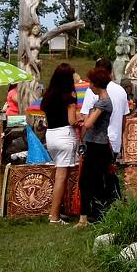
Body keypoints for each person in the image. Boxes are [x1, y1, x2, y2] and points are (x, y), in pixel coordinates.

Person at [76, 68, 117, 227]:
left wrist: (85, 120)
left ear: (96, 84)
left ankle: (90, 216)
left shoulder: (104, 102)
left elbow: (88, 123)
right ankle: (88, 216)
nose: (89, 86)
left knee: (90, 181)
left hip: (98, 147)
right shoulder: (100, 101)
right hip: (94, 145)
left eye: (91, 83)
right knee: (90, 181)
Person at [42, 63, 79, 225]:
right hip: (65, 135)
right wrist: (81, 120)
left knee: (60, 175)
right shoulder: (69, 95)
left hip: (51, 135)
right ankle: (54, 215)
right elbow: (72, 120)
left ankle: (59, 211)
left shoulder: (48, 96)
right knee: (61, 177)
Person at [81, 59, 129, 157]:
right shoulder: (121, 91)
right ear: (111, 72)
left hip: (97, 142)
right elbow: (124, 119)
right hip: (115, 141)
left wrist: (82, 140)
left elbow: (86, 120)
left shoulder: (94, 91)